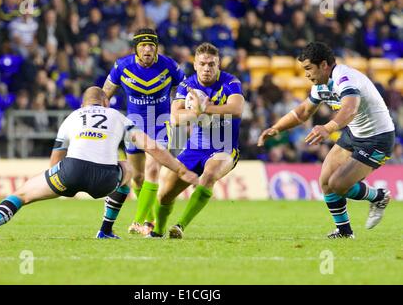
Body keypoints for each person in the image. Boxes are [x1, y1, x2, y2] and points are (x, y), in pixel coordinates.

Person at [0, 87, 198, 241]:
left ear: (84, 104)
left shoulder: (72, 117)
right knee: (128, 169)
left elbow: (56, 160)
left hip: (70, 172)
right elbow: (151, 147)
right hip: (106, 180)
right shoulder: (117, 116)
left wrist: (58, 184)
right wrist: (179, 169)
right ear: (105, 102)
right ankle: (105, 230)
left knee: (21, 195)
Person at [258, 42, 395, 239]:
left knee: (339, 184)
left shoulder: (344, 78)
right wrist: (276, 128)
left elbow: (350, 109)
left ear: (323, 65)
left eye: (308, 68)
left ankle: (380, 197)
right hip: (354, 133)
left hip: (377, 139)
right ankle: (345, 232)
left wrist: (327, 128)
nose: (306, 74)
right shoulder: (321, 86)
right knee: (325, 181)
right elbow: (303, 112)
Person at [148, 42, 245, 239]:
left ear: (218, 65)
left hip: (224, 148)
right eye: (202, 64)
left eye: (212, 64)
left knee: (209, 176)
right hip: (194, 148)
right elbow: (175, 118)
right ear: (195, 64)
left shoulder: (231, 82)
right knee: (165, 195)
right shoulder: (187, 85)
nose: (207, 68)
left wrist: (205, 109)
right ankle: (157, 231)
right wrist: (196, 112)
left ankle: (180, 226)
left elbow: (236, 109)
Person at [101, 28, 186, 235]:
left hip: (160, 124)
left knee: (153, 169)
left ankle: (139, 222)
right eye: (143, 45)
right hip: (134, 126)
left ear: (156, 47)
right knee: (137, 177)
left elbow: (183, 89)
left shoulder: (169, 66)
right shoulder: (122, 66)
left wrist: (180, 109)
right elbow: (104, 95)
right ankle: (150, 220)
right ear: (136, 49)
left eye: (151, 45)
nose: (148, 49)